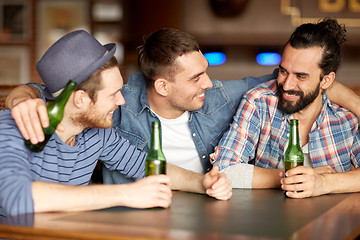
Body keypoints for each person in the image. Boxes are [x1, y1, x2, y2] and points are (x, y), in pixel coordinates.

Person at [5, 28, 360, 195]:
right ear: (161, 86)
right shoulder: (116, 105)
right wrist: (22, 95)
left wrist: (205, 182)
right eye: (197, 77)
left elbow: (293, 83)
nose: (210, 82)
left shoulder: (100, 135)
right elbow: (52, 93)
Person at [0, 30, 173, 217]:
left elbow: (145, 166)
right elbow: (18, 198)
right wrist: (126, 194)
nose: (121, 101)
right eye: (113, 94)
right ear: (81, 99)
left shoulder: (97, 132)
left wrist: (202, 182)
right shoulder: (12, 127)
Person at [210, 18, 360, 198]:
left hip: (330, 224)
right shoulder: (259, 103)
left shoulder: (346, 118)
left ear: (326, 80)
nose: (287, 85)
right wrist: (293, 177)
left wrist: (324, 183)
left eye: (301, 76)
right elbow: (223, 169)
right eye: (283, 71)